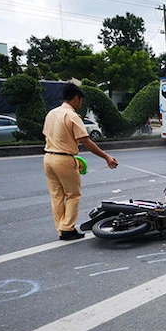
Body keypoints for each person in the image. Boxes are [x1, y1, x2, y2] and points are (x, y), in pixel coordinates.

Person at [43, 83, 118, 240]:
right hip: (64, 159)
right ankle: (68, 229)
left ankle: (61, 228)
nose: (81, 104)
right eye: (81, 100)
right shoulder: (71, 116)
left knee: (56, 196)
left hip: (48, 158)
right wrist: (107, 157)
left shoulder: (51, 113)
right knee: (73, 195)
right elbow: (85, 141)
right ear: (76, 98)